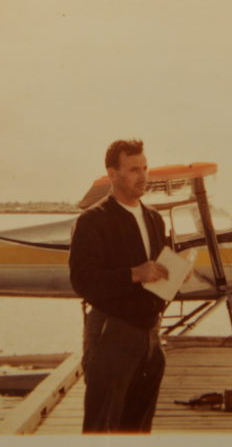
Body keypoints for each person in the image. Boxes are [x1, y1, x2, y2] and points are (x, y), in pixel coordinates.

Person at [68, 139, 170, 433]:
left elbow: (156, 269)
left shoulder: (154, 219)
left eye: (146, 168)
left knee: (138, 429)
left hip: (151, 336)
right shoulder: (92, 221)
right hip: (112, 332)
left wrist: (174, 274)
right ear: (112, 174)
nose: (143, 176)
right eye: (133, 169)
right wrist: (133, 274)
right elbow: (82, 281)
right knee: (101, 428)